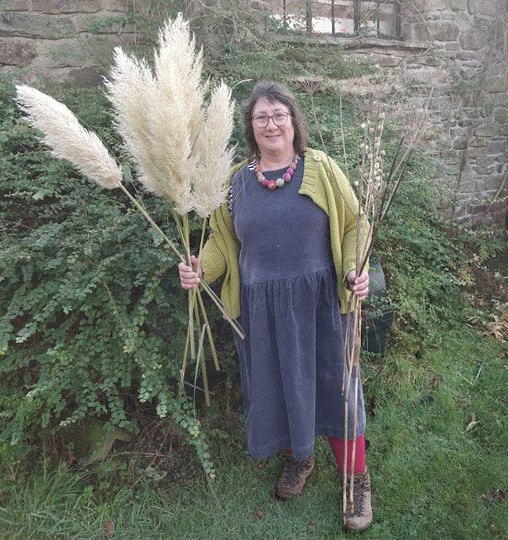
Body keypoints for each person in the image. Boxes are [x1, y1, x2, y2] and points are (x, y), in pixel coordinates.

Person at [178, 80, 372, 533]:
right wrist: (201, 268)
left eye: (279, 115)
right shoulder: (237, 182)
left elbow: (354, 224)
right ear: (250, 127)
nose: (271, 124)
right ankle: (300, 458)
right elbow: (223, 244)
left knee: (337, 389)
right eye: (261, 117)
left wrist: (352, 270)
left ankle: (356, 479)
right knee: (280, 386)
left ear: (293, 121)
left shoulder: (320, 168)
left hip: (321, 304)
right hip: (261, 308)